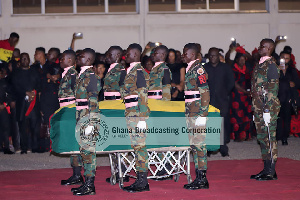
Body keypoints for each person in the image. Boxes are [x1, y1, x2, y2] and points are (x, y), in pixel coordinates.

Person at [71, 48, 101, 196]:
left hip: (88, 117)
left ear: (89, 60)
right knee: (84, 150)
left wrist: (92, 121)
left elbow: (93, 100)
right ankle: (86, 182)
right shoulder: (82, 75)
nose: (78, 58)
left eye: (81, 56)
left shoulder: (90, 76)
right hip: (82, 115)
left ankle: (90, 185)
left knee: (88, 151)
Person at [250, 38, 280, 181]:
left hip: (268, 107)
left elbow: (273, 89)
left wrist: (267, 109)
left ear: (269, 48)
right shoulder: (260, 64)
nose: (259, 48)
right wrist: (256, 109)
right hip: (259, 106)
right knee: (262, 138)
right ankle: (266, 168)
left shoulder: (271, 65)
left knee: (269, 137)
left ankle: (271, 170)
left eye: (262, 46)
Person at [122, 43, 150, 193]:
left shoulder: (138, 71)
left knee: (140, 147)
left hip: (138, 114)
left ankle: (143, 182)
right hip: (131, 112)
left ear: (136, 54)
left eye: (128, 53)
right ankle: (140, 179)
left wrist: (142, 119)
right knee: (136, 146)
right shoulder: (132, 70)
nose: (125, 56)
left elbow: (143, 96)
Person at [181, 43, 210, 190]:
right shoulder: (190, 68)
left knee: (199, 144)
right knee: (194, 144)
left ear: (193, 54)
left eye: (185, 53)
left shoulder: (198, 69)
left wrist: (203, 114)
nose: (183, 55)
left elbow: (205, 92)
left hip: (197, 111)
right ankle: (198, 177)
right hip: (191, 111)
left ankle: (202, 178)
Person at [103, 45, 129, 183]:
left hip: (116, 109)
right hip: (109, 107)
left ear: (117, 56)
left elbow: (124, 92)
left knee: (118, 140)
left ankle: (123, 171)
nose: (106, 57)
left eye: (109, 54)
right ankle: (117, 171)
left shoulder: (121, 71)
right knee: (111, 141)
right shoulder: (111, 69)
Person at [59, 50, 83, 186]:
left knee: (74, 143)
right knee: (71, 143)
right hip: (66, 110)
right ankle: (76, 174)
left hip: (72, 111)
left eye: (63, 58)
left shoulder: (73, 74)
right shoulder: (67, 73)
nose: (60, 60)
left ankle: (77, 175)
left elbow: (78, 93)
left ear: (70, 60)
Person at [204, 47, 235, 156]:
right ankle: (209, 149)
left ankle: (223, 149)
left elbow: (231, 82)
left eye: (215, 55)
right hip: (208, 101)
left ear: (219, 56)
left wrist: (225, 92)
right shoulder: (204, 68)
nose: (213, 57)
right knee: (209, 124)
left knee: (222, 124)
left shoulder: (225, 67)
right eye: (211, 55)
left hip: (222, 100)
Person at [11, 53, 41, 154]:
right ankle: (24, 147)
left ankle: (33, 147)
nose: (24, 60)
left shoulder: (34, 71)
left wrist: (34, 92)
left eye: (26, 59)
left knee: (34, 126)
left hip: (33, 103)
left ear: (29, 60)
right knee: (23, 127)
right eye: (22, 59)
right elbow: (14, 87)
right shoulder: (16, 73)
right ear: (20, 61)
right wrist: (25, 93)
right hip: (22, 103)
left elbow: (39, 84)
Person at [276, 51, 300, 145]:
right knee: (277, 119)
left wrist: (294, 84)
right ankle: (278, 136)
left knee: (286, 119)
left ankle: (285, 138)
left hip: (288, 97)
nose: (285, 60)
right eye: (283, 58)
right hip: (277, 97)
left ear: (290, 60)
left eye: (287, 58)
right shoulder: (276, 69)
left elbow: (298, 83)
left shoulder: (292, 70)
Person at [230, 47, 252, 141]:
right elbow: (234, 83)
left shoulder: (247, 69)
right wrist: (245, 92)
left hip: (246, 96)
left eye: (244, 59)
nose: (243, 61)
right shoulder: (233, 69)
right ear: (237, 59)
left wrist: (242, 50)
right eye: (241, 59)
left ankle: (246, 136)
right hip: (237, 96)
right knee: (237, 116)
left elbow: (251, 58)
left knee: (247, 115)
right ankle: (238, 136)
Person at [39, 65, 61, 152]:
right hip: (47, 109)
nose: (55, 77)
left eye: (56, 75)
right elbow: (42, 97)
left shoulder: (58, 85)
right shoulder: (46, 85)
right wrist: (41, 109)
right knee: (46, 128)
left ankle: (54, 145)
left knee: (54, 127)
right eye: (53, 76)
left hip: (56, 109)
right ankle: (46, 146)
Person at [0, 66, 14, 154]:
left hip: (3, 108)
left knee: (5, 128)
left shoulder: (5, 83)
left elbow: (10, 95)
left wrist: (4, 105)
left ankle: (6, 147)